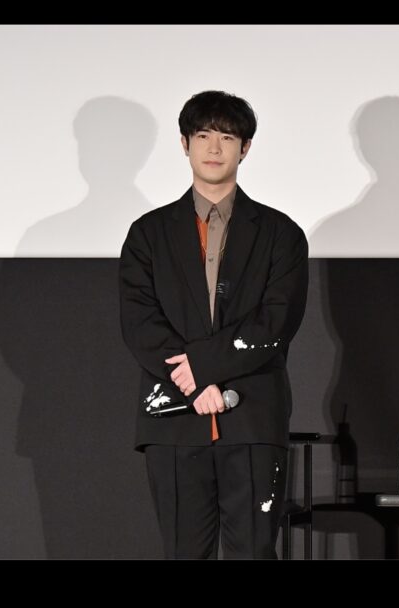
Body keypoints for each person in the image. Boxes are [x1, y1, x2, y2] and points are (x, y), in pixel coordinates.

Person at [119, 90, 308, 559]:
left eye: (227, 137)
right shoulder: (148, 233)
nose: (214, 148)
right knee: (183, 552)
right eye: (203, 135)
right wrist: (194, 382)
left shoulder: (281, 233)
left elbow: (277, 320)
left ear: (246, 148)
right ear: (185, 144)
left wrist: (202, 367)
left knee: (254, 551)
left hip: (253, 417)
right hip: (173, 419)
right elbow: (140, 321)